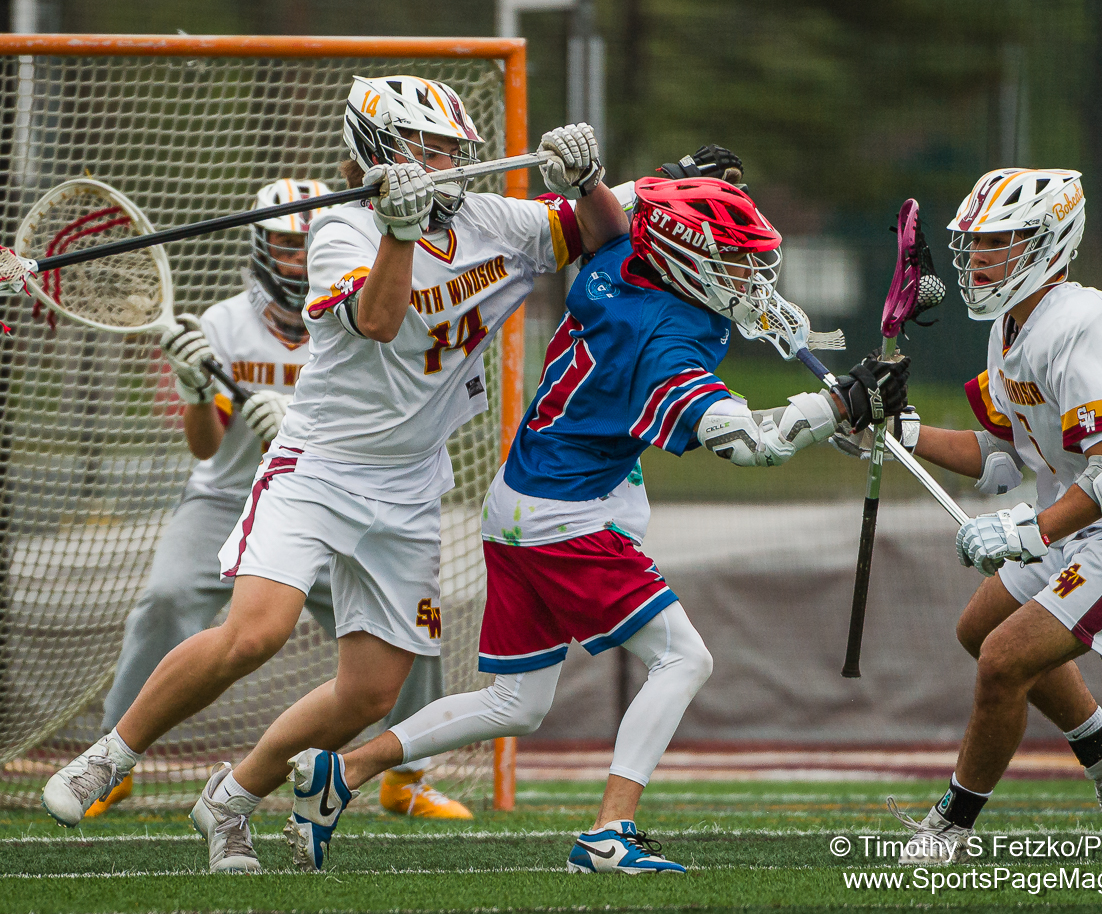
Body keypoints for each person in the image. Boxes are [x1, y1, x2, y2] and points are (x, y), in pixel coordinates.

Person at [41, 75, 617, 872]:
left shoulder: (498, 222)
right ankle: (113, 754)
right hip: (320, 467)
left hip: (410, 483)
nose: (451, 163)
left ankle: (232, 799)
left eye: (455, 150)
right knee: (255, 633)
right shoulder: (342, 231)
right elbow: (379, 320)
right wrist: (401, 232)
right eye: (433, 150)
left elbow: (603, 233)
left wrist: (587, 183)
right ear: (383, 151)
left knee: (370, 693)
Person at [283, 173, 912, 875]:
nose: (750, 277)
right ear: (686, 259)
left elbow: (629, 212)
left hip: (521, 500)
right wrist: (837, 408)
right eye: (734, 261)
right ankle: (610, 832)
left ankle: (344, 772)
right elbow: (748, 444)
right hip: (566, 516)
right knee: (684, 659)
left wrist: (679, 178)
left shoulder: (620, 257)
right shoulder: (660, 337)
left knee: (516, 703)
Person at [84, 178, 469, 822]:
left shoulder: (375, 307)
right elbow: (206, 448)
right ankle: (112, 760)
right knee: (167, 598)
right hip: (227, 497)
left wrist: (293, 428)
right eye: (287, 244)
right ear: (261, 248)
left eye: (308, 242)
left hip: (331, 496)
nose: (300, 256)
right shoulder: (225, 325)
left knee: (408, 628)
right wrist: (197, 391)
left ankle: (407, 775)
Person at [882, 168, 1102, 864]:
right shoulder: (1010, 328)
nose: (979, 257)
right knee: (979, 630)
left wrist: (1025, 529)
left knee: (1004, 660)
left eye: (998, 241)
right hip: (1086, 521)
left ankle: (951, 828)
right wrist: (900, 432)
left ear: (1048, 242)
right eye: (976, 242)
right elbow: (1000, 455)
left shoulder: (1082, 324)